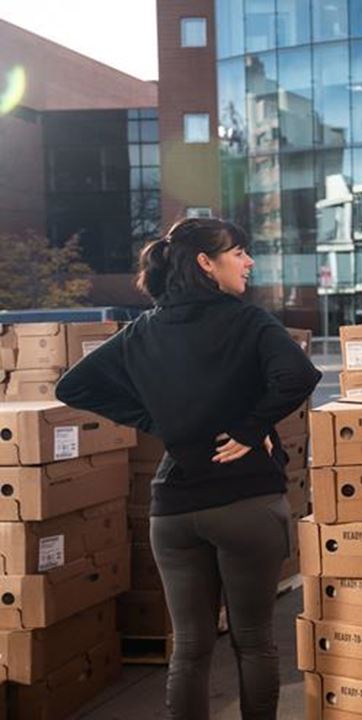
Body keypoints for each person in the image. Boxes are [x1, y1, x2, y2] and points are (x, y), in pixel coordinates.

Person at [56, 218, 321, 720]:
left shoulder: (143, 331)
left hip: (174, 510)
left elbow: (74, 387)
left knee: (190, 648)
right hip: (247, 504)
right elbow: (300, 374)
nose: (248, 262)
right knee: (254, 641)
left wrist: (158, 421)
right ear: (206, 262)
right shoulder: (249, 321)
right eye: (239, 252)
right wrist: (248, 429)